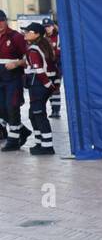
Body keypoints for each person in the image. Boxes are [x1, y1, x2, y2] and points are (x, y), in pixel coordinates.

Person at [21, 22, 55, 155]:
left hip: (38, 85)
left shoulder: (33, 49)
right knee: (33, 114)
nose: (25, 33)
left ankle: (47, 146)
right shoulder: (41, 46)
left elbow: (39, 70)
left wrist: (48, 85)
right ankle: (40, 142)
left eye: (28, 31)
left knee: (38, 114)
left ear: (36, 34)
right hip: (40, 85)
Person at [0, 11, 31, 151]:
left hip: (13, 78)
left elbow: (29, 58)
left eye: (1, 20)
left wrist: (17, 63)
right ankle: (22, 131)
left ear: (5, 20)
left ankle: (13, 140)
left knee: (12, 106)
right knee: (1, 109)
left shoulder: (16, 37)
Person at [43, 18, 61, 119]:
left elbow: (60, 51)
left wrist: (52, 53)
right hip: (46, 66)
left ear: (53, 26)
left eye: (48, 26)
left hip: (57, 66)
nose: (47, 29)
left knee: (56, 87)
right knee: (49, 87)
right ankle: (52, 108)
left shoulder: (58, 36)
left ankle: (56, 110)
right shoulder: (42, 37)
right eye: (45, 27)